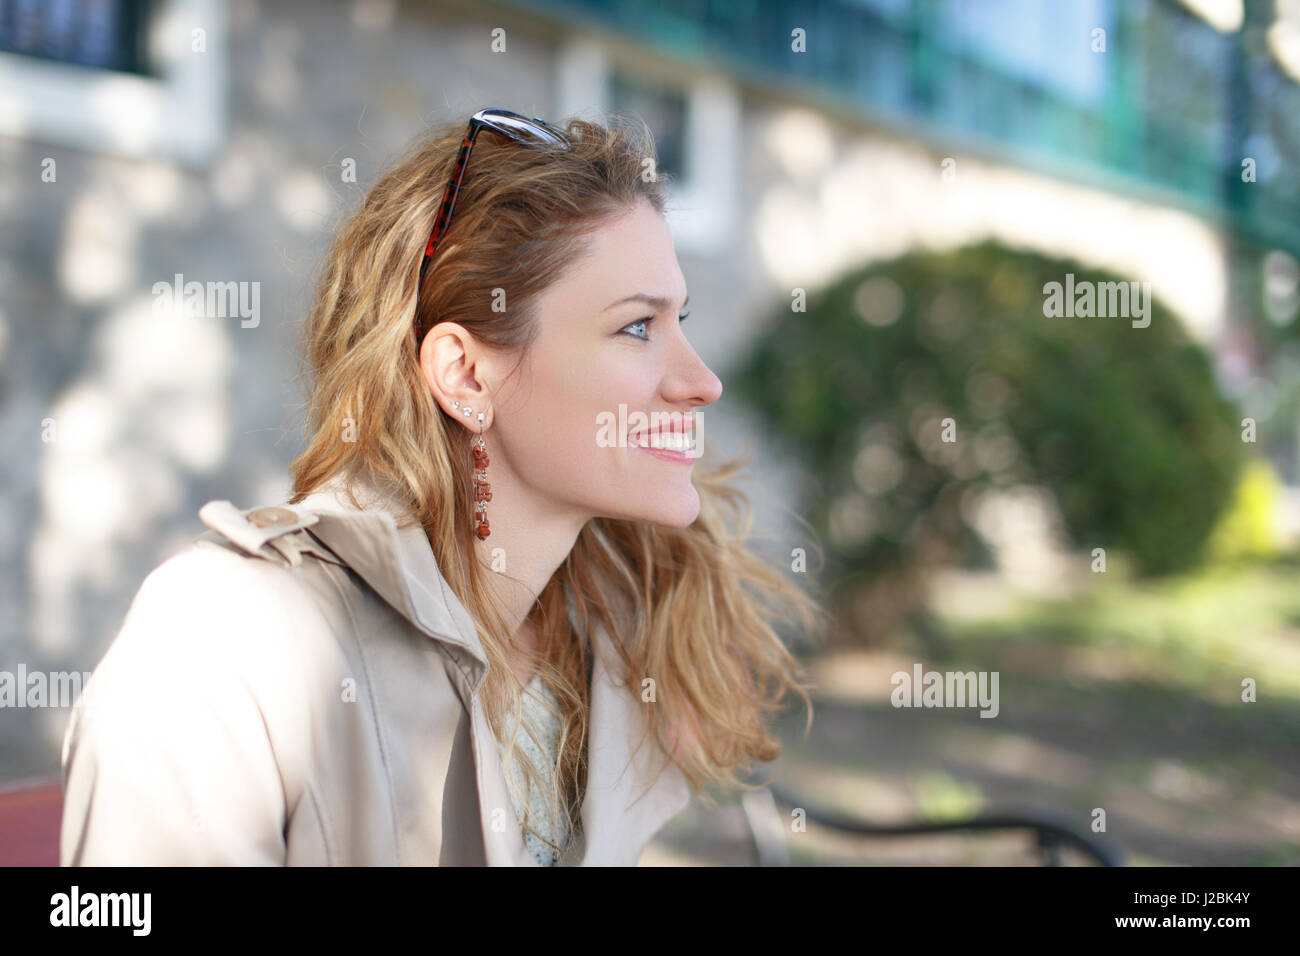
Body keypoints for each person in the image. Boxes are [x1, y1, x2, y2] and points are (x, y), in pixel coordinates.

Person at [59, 108, 825, 866]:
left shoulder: (614, 641)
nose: (702, 381)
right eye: (637, 327)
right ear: (465, 375)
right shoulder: (226, 642)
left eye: (680, 320)